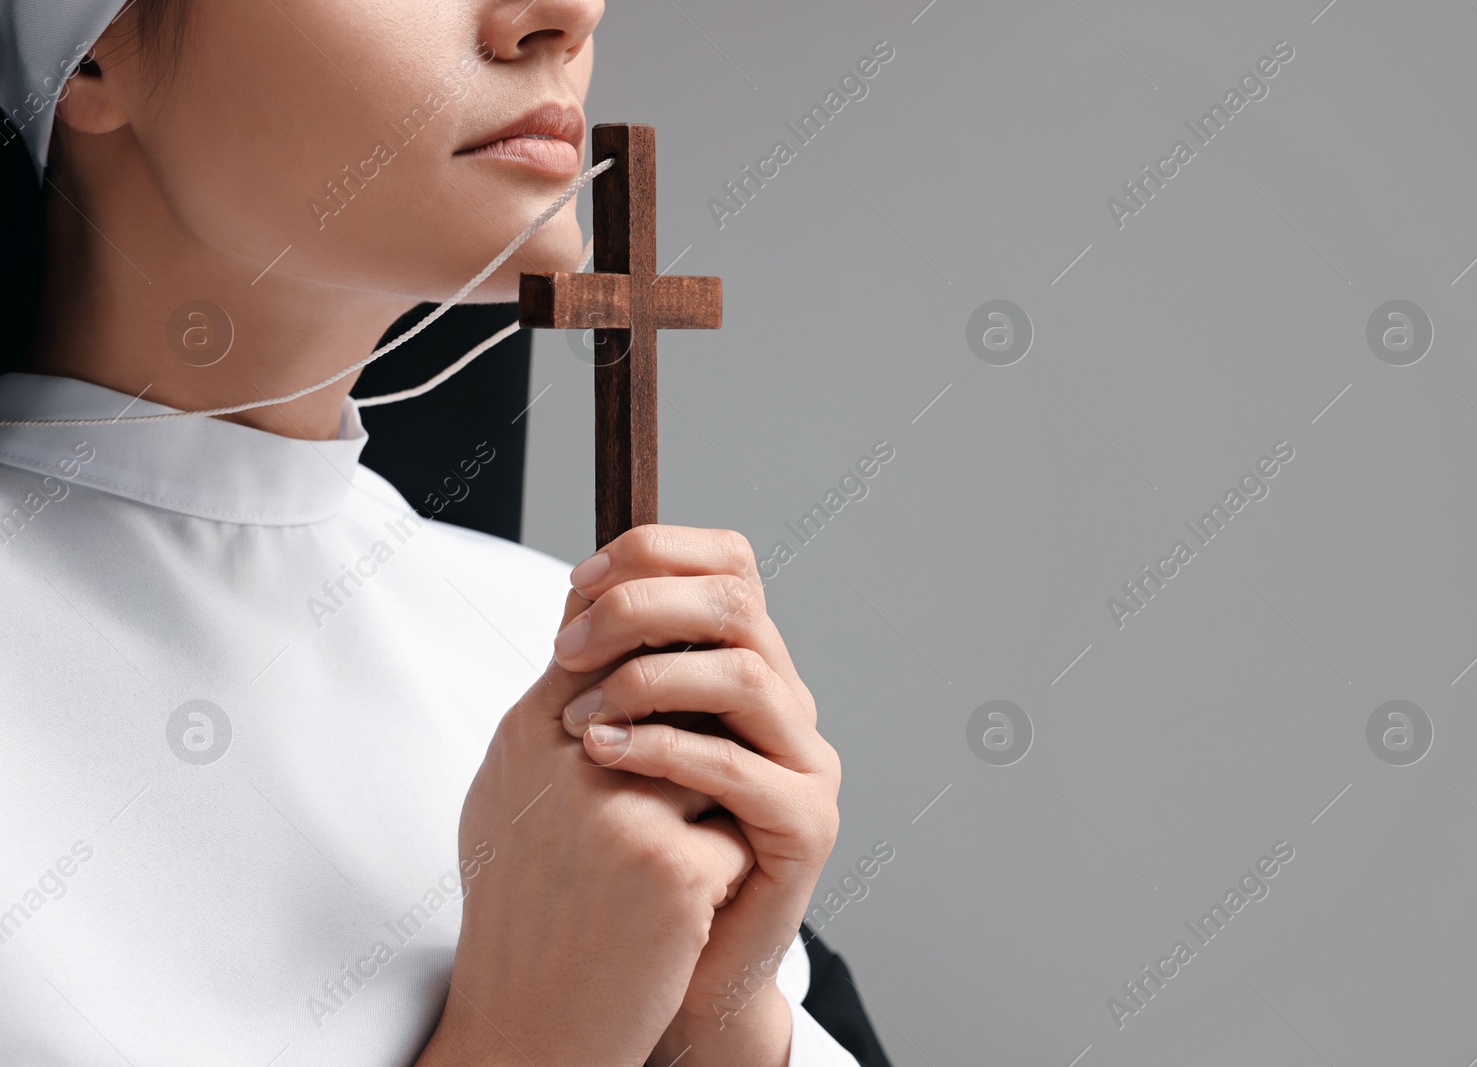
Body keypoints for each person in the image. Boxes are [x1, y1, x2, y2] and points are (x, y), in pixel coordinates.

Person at [0, 1, 888, 1064]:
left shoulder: (570, 646)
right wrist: (528, 1037)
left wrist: (714, 1025)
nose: (564, 14)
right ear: (97, 51)